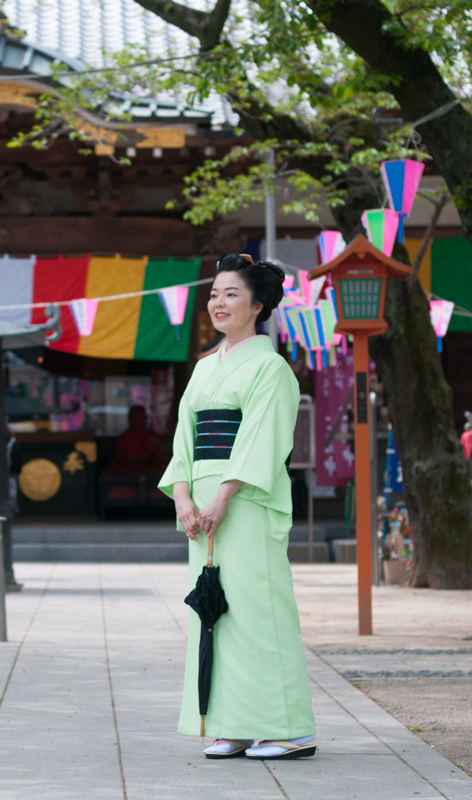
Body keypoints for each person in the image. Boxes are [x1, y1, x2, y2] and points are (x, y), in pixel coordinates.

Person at [159, 253, 317, 761]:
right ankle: (233, 721)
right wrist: (183, 496)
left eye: (231, 294)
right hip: (201, 506)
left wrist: (222, 496)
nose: (218, 303)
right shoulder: (205, 368)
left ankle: (288, 726)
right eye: (213, 294)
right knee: (214, 613)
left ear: (259, 304)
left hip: (246, 501)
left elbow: (261, 441)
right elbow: (185, 437)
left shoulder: (271, 368)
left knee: (257, 608)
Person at [102, 404, 168, 475]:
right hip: (128, 471)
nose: (139, 421)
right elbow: (118, 459)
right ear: (130, 419)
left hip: (149, 470)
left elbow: (161, 459)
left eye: (141, 418)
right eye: (135, 418)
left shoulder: (154, 438)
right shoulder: (123, 438)